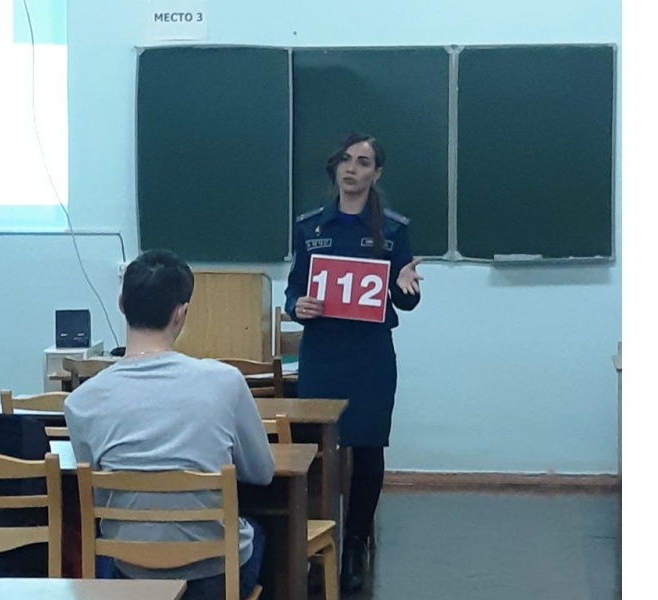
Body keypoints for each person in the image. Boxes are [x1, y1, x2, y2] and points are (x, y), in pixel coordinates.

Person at [64, 248, 275, 600]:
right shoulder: (225, 382)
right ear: (181, 313)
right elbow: (262, 472)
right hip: (213, 577)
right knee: (261, 531)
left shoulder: (81, 401)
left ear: (121, 304)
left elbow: (101, 495)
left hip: (131, 577)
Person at [285, 132, 422, 592]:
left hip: (369, 355)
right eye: (345, 159)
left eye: (363, 162)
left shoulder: (393, 230)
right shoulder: (309, 227)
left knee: (366, 448)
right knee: (315, 450)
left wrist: (405, 287)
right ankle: (311, 541)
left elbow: (406, 300)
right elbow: (294, 290)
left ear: (375, 173)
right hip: (323, 353)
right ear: (335, 167)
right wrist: (296, 306)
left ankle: (355, 545)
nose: (352, 168)